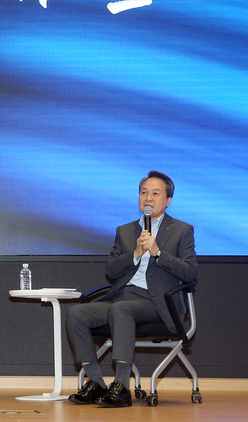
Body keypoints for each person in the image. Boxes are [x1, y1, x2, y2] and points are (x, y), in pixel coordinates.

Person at [67, 170, 197, 408]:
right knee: (77, 313)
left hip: (157, 303)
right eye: (144, 192)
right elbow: (112, 270)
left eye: (155, 193)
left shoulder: (181, 230)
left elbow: (190, 272)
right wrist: (135, 254)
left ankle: (122, 387)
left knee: (121, 309)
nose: (148, 198)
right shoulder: (125, 231)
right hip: (123, 297)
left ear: (168, 200)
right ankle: (96, 382)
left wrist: (158, 252)